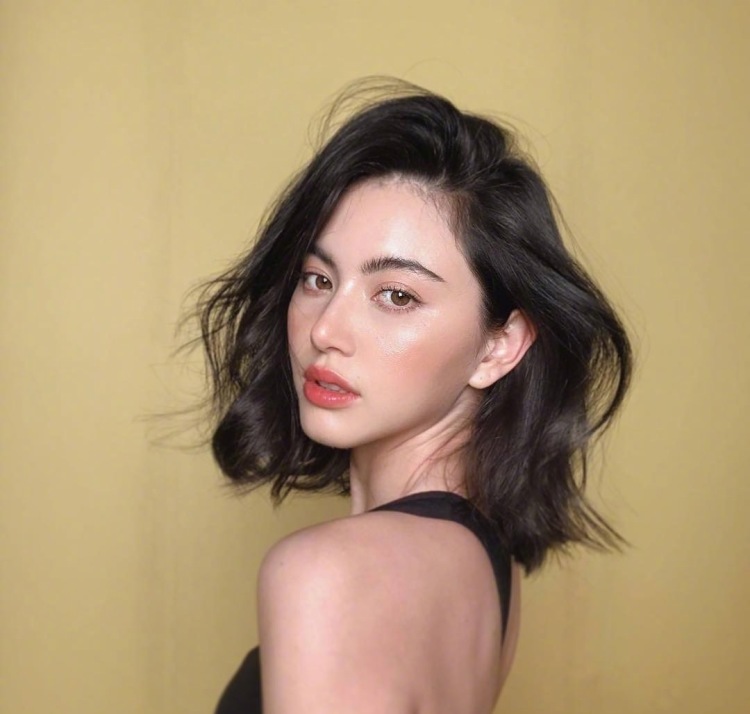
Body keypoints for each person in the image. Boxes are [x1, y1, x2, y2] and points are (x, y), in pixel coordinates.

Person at [196, 79, 632, 714]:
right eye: (317, 278)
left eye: (397, 295)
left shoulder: (328, 576)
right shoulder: (483, 564)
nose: (325, 330)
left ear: (499, 345)